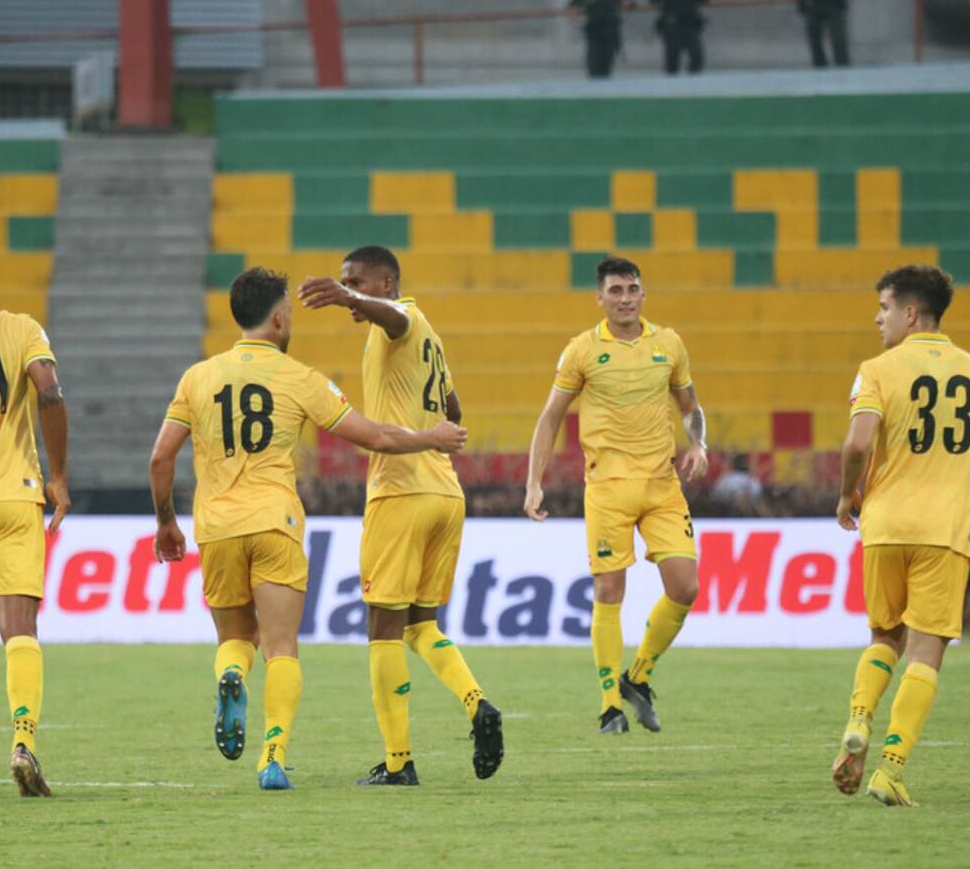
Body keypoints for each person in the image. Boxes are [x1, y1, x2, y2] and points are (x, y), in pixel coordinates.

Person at [149, 267, 465, 791]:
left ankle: (230, 675)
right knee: (281, 648)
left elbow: (160, 458)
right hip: (276, 522)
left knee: (235, 640)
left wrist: (166, 522)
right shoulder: (300, 378)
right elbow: (378, 437)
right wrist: (430, 436)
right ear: (278, 317)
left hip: (217, 525)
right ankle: (271, 758)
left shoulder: (197, 377)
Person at [298, 246, 504, 787]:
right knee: (423, 625)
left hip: (401, 493)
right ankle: (476, 702)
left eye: (358, 282)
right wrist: (429, 423)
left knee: (382, 630)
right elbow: (453, 411)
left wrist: (350, 297)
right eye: (345, 283)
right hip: (445, 495)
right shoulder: (429, 336)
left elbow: (394, 316)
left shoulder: (402, 319)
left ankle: (398, 763)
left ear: (387, 282)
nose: (349, 293)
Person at [832, 265, 970, 807]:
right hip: (947, 529)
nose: (877, 317)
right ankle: (890, 770)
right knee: (926, 652)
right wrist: (950, 477)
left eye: (884, 307)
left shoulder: (877, 369)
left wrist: (847, 496)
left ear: (911, 312)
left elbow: (858, 444)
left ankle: (859, 718)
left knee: (884, 636)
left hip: (886, 523)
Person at [525, 256, 707, 735]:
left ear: (643, 295)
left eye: (632, 289)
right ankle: (610, 705)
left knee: (685, 587)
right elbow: (550, 417)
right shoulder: (582, 351)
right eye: (616, 290)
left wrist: (699, 444)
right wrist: (534, 480)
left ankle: (638, 675)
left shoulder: (668, 343)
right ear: (600, 298)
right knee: (609, 591)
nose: (625, 298)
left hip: (663, 486)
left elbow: (689, 404)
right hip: (606, 487)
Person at [0, 237, 69, 798]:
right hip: (12, 494)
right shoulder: (20, 327)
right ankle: (23, 740)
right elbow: (48, 390)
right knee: (18, 629)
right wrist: (59, 476)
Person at [568, 0, 636, 79]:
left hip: (610, 31)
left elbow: (627, 3)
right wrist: (573, 11)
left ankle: (605, 87)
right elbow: (574, 4)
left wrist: (628, 4)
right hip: (594, 31)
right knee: (594, 62)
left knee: (607, 62)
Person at [650, 0, 710, 75]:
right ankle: (672, 83)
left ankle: (694, 80)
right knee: (672, 55)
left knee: (696, 53)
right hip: (671, 22)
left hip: (690, 22)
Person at [793, 0, 850, 68]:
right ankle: (820, 69)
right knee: (815, 41)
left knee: (838, 39)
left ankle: (843, 68)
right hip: (813, 4)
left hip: (833, 3)